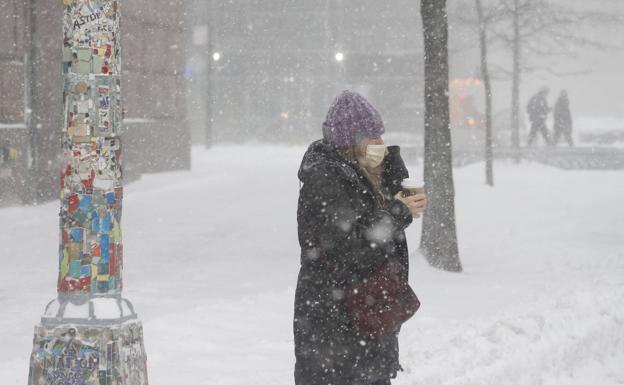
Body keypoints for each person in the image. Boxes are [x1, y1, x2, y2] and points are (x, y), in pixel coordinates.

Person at [294, 90, 426, 385]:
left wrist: (399, 197)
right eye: (372, 137)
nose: (381, 143)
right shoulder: (325, 180)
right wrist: (396, 213)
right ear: (349, 141)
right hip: (335, 331)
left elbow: (374, 238)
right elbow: (347, 250)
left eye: (381, 135)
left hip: (363, 326)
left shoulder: (363, 174)